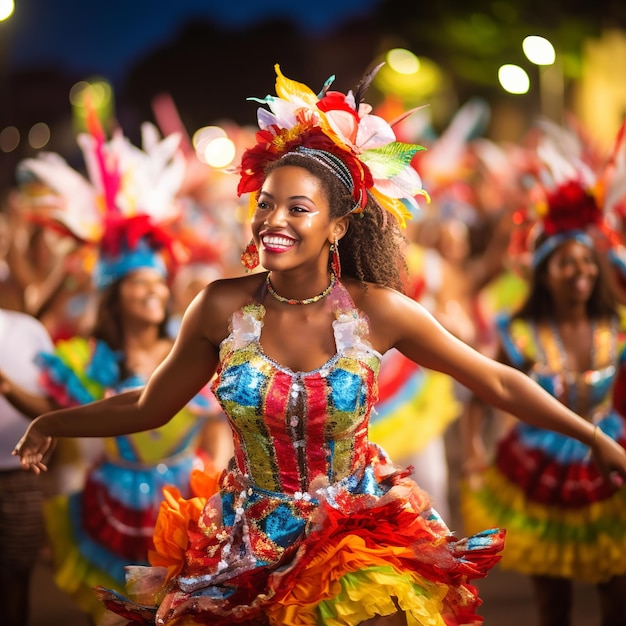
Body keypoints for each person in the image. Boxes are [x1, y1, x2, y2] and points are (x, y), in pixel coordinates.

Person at [13, 64, 626, 626]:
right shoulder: (221, 307)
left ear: (338, 225)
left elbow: (493, 379)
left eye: (297, 208)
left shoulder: (377, 310)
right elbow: (150, 405)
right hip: (247, 543)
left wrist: (594, 436)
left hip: (357, 536)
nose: (273, 220)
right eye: (266, 203)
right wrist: (53, 421)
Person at [13, 115, 219, 624]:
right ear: (113, 295)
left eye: (157, 282)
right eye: (138, 283)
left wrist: (211, 480)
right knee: (132, 612)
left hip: (185, 504)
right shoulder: (91, 360)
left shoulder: (189, 350)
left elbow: (217, 420)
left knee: (183, 615)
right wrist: (8, 391)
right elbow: (63, 411)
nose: (154, 290)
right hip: (118, 510)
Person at [461, 126, 626, 626]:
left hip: (608, 460)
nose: (580, 272)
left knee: (617, 595)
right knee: (552, 604)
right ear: (542, 272)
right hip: (538, 466)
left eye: (587, 263)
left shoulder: (616, 325)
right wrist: (472, 449)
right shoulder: (520, 332)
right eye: (565, 264)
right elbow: (481, 393)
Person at [0, 307, 55, 626]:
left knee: (15, 577)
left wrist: (7, 387)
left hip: (21, 473)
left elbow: (51, 408)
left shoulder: (28, 331)